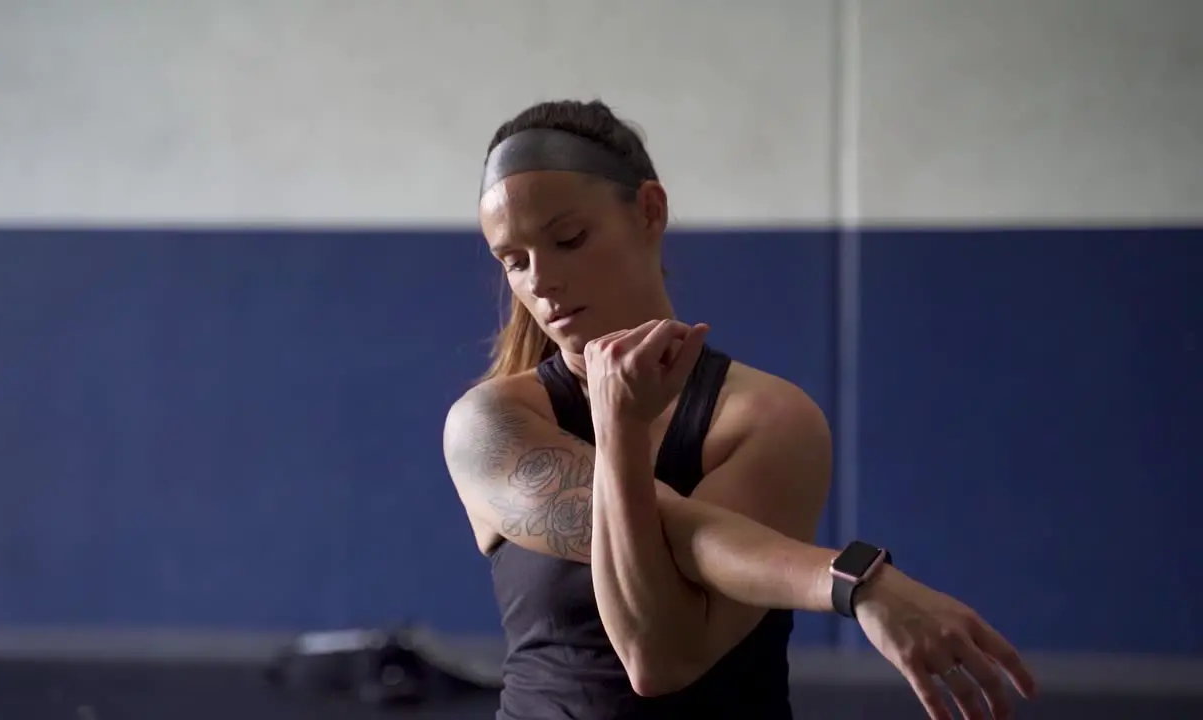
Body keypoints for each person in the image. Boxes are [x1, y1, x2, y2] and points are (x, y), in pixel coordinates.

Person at [442, 99, 1037, 720]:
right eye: (513, 261)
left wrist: (857, 583)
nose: (540, 280)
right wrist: (858, 584)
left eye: (568, 239)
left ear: (650, 211)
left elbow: (666, 652)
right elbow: (673, 577)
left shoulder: (768, 418)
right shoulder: (488, 426)